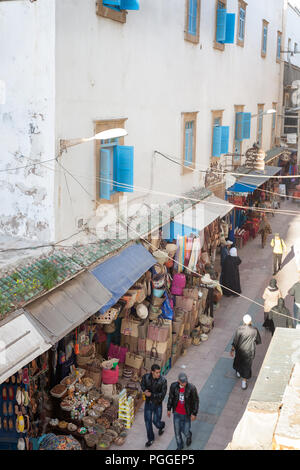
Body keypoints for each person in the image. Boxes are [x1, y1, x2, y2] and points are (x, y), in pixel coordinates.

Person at [167, 372, 199, 451]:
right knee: (177, 432)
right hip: (177, 413)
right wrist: (169, 409)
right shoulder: (173, 386)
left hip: (186, 414)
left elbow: (196, 401)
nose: (185, 383)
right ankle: (180, 446)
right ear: (178, 381)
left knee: (185, 431)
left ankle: (189, 435)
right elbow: (171, 398)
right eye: (183, 382)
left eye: (185, 382)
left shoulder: (191, 388)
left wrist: (194, 413)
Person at [230, 314, 262, 390]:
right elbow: (258, 341)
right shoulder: (254, 330)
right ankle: (244, 382)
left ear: (243, 321)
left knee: (238, 361)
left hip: (240, 350)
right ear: (250, 321)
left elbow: (235, 341)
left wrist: (232, 350)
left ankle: (238, 372)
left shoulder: (239, 329)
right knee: (247, 366)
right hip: (249, 351)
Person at [141, 363, 167, 447]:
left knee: (156, 422)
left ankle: (161, 425)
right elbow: (142, 384)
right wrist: (144, 390)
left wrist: (151, 395)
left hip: (157, 404)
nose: (159, 374)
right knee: (147, 421)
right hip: (148, 403)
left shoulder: (163, 381)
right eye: (157, 372)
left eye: (159, 372)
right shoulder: (146, 377)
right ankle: (151, 439)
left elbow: (162, 396)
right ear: (152, 372)